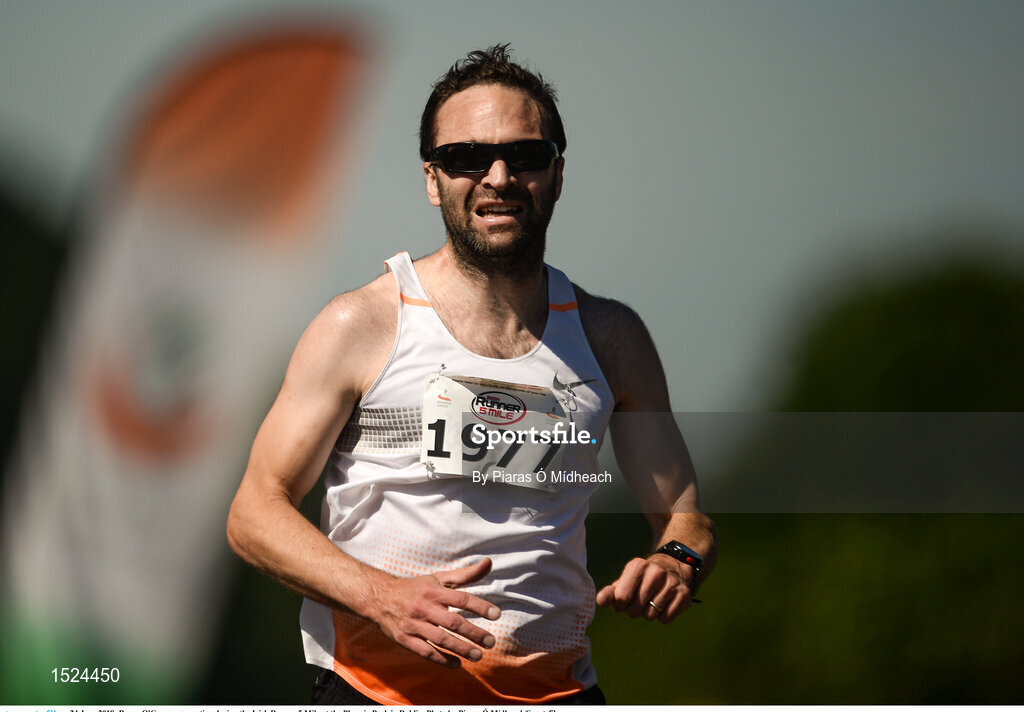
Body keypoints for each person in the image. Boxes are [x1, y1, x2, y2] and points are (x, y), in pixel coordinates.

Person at [227, 44, 717, 705]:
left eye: (524, 155)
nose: (497, 177)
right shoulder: (361, 324)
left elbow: (685, 516)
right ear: (433, 179)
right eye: (466, 158)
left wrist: (674, 562)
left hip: (559, 694)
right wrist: (382, 599)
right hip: (374, 691)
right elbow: (255, 514)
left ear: (557, 173)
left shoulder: (611, 338)